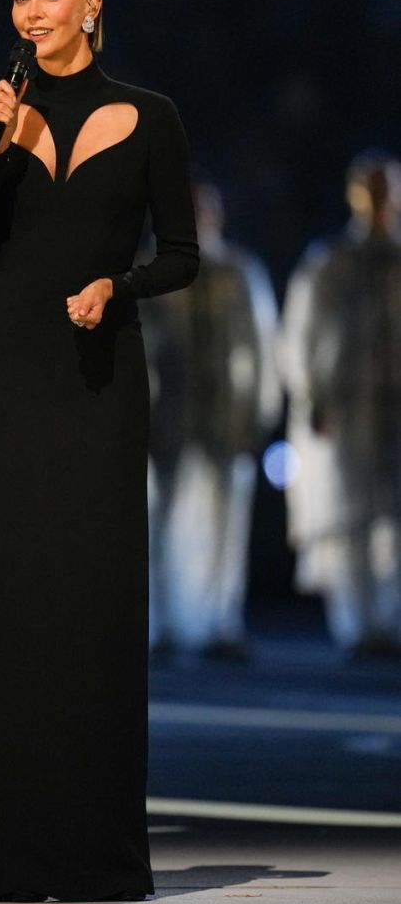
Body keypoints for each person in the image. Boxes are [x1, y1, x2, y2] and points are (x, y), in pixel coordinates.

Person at [0, 0, 199, 902]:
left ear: (91, 5)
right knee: (9, 604)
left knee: (94, 603)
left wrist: (118, 286)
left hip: (99, 376)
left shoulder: (152, 116)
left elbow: (182, 254)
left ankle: (96, 855)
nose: (31, 13)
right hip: (9, 376)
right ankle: (7, 857)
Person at [152, 180, 280, 658]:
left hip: (225, 417)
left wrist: (259, 416)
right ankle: (161, 624)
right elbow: (139, 351)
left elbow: (263, 347)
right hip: (168, 418)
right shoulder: (147, 272)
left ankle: (220, 622)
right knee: (160, 521)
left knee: (226, 524)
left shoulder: (240, 272)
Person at [281, 151, 401, 657]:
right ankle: (359, 625)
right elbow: (302, 336)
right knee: (351, 518)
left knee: (394, 519)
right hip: (348, 413)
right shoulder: (330, 263)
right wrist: (312, 398)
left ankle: (391, 622)